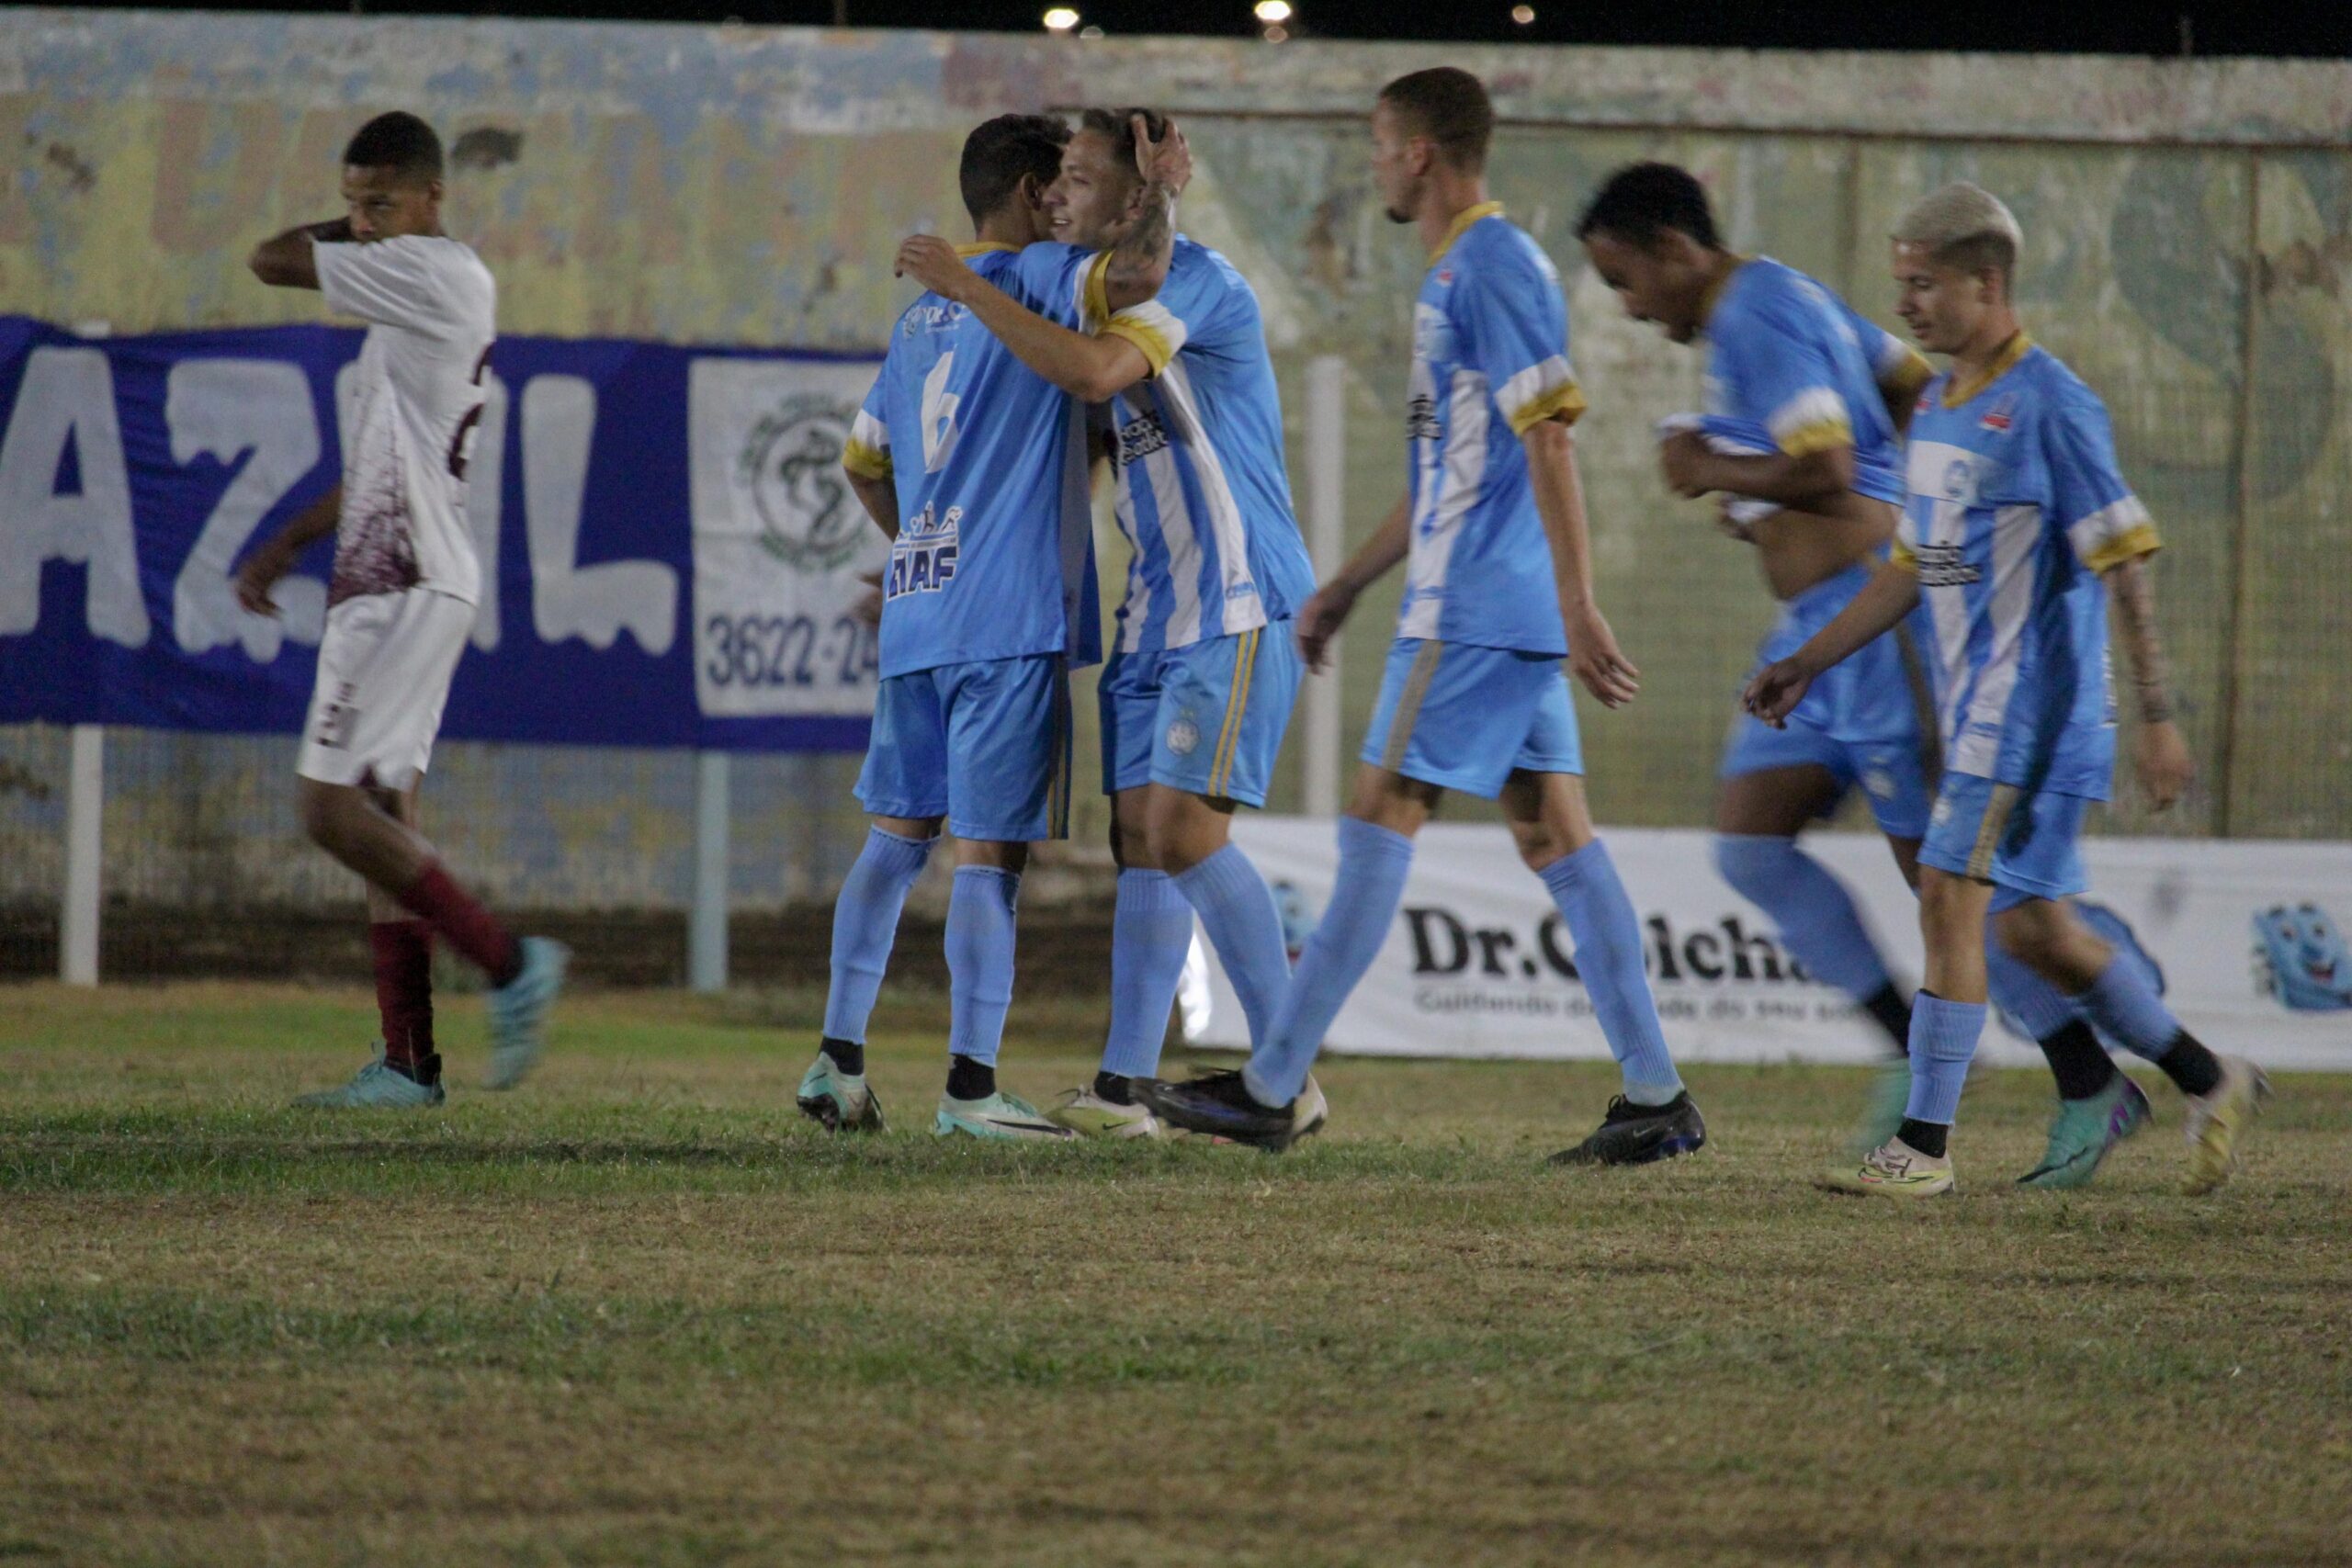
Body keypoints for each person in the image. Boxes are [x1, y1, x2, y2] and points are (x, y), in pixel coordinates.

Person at [1580, 162, 2180, 1190]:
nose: (1629, 309)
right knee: (1752, 844)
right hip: (1817, 628)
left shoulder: (1758, 313)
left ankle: (2088, 1069)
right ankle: (1919, 1044)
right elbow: (1908, 388)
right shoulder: (1772, 302)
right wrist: (1795, 505)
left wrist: (1718, 470)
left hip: (1876, 630)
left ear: (1676, 249)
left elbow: (1821, 465)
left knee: (1948, 888)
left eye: (1626, 280)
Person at [1140, 68, 1701, 1162]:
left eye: (1377, 145)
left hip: (1477, 611)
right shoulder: (1456, 273)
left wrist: (1580, 604)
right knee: (1553, 836)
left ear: (1419, 156)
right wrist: (1346, 586)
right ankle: (1654, 1097)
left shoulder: (1493, 265)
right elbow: (1451, 469)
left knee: (1376, 816)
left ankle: (1270, 1084)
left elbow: (1550, 436)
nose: (1371, 165)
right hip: (1493, 608)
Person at [1745, 182, 2267, 1196]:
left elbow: (2123, 559)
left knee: (1946, 894)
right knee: (2033, 932)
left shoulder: (2050, 403)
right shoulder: (1938, 407)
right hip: (1983, 709)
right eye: (1898, 284)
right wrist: (1810, 660)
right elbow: (1906, 567)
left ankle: (1923, 1151)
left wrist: (2157, 717)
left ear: (1987, 283)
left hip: (2032, 710)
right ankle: (2212, 1078)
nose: (1905, 305)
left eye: (1923, 284)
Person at [894, 107, 1319, 1140]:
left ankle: (1286, 1081)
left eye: (1079, 179)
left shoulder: (1195, 278)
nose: (1056, 196)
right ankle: (1126, 1088)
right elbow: (1074, 440)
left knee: (1182, 832)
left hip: (1232, 593)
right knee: (1141, 842)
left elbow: (1095, 379)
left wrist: (967, 283)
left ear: (1134, 197)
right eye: (1056, 179)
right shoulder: (1079, 296)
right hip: (1153, 609)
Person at [794, 112, 1187, 1140]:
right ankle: (970, 1090)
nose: (1067, 197)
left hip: (919, 609)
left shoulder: (916, 320)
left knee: (892, 840)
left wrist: (920, 540)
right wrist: (1156, 196)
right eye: (1057, 180)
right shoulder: (1044, 276)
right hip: (1006, 615)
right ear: (1024, 192)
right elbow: (1143, 280)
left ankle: (837, 1062)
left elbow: (862, 462)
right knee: (989, 857)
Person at [240, 111, 565, 1109]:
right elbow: (382, 467)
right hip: (390, 572)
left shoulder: (434, 270)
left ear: (432, 200)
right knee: (383, 813)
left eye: (379, 203)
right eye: (351, 205)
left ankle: (509, 963)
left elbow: (267, 258)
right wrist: (291, 541)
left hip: (404, 580)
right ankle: (409, 1064)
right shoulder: (398, 317)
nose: (363, 224)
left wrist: (342, 231)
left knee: (327, 810)